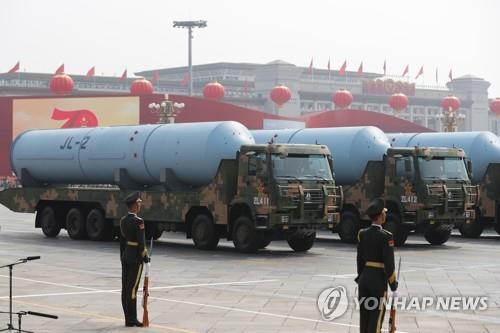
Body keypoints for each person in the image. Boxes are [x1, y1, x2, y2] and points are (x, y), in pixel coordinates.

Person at [355, 198, 398, 333]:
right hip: (378, 281)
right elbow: (389, 264)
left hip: (364, 279)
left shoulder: (362, 234)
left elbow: (359, 259)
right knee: (376, 320)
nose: (385, 215)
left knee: (364, 318)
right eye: (384, 213)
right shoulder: (387, 236)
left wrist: (360, 277)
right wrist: (393, 284)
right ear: (380, 216)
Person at [120, 191, 150, 327]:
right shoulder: (139, 222)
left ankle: (128, 317)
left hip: (126, 255)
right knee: (132, 289)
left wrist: (123, 256)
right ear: (133, 205)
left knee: (125, 288)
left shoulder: (123, 220)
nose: (140, 205)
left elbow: (123, 241)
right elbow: (141, 244)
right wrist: (145, 257)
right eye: (138, 203)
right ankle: (132, 319)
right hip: (135, 259)